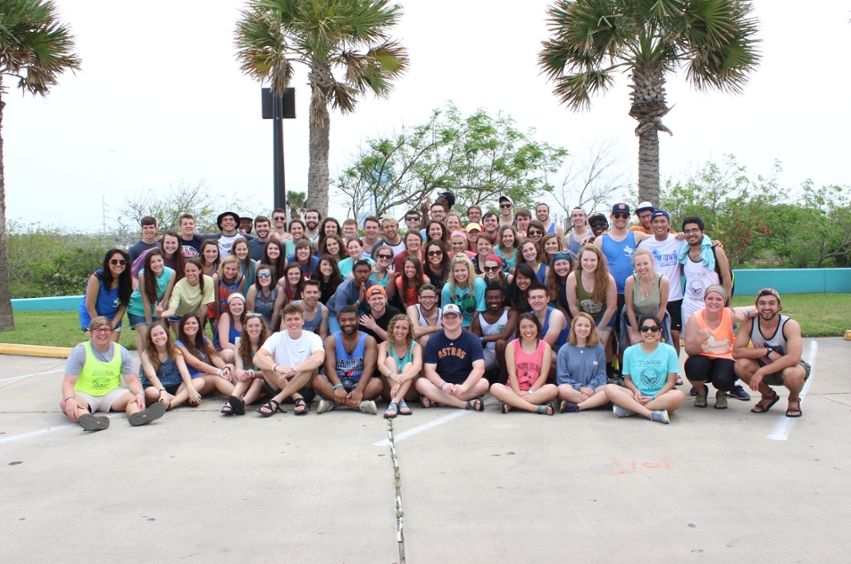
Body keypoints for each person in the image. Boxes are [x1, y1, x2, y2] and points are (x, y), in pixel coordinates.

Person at [60, 316, 166, 431]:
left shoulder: (121, 351)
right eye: (98, 330)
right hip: (85, 394)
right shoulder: (80, 351)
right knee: (65, 402)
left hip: (112, 393)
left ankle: (137, 416)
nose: (102, 333)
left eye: (106, 330)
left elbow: (132, 380)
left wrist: (140, 393)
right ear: (91, 333)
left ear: (111, 332)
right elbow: (68, 382)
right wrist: (69, 399)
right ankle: (88, 420)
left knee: (134, 397)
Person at [733, 288, 811, 418]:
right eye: (762, 303)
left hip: (789, 368)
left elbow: (794, 358)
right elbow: (737, 352)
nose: (767, 307)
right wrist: (766, 351)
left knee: (792, 374)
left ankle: (794, 398)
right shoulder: (750, 323)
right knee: (740, 365)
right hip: (763, 364)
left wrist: (762, 371)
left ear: (779, 306)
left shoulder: (789, 324)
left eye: (771, 303)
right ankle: (768, 395)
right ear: (756, 306)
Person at [603, 315, 686, 423]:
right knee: (610, 388)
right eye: (645, 329)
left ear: (659, 331)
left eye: (654, 329)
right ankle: (651, 413)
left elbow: (671, 382)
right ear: (640, 331)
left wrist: (653, 398)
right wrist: (637, 392)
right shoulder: (629, 352)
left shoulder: (670, 351)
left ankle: (631, 409)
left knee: (678, 396)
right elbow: (627, 379)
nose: (649, 332)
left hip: (660, 395)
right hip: (636, 394)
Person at [684, 285, 755, 409]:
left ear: (724, 302)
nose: (714, 302)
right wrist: (699, 340)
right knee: (693, 365)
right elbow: (690, 351)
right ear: (704, 300)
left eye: (719, 299)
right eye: (710, 298)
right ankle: (701, 391)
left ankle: (722, 393)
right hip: (702, 357)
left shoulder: (729, 314)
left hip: (725, 356)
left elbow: (758, 308)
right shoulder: (695, 318)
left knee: (725, 376)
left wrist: (744, 313)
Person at [253, 302, 325, 417]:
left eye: (296, 319)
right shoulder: (277, 337)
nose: (293, 322)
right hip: (279, 383)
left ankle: (276, 400)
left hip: (303, 386)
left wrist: (293, 369)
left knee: (311, 366)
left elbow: (319, 359)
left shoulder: (312, 337)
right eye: (289, 319)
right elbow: (257, 358)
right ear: (284, 322)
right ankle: (297, 397)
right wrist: (278, 368)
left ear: (303, 321)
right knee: (265, 361)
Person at [417, 304, 488, 410]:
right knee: (420, 383)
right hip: (441, 384)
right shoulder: (433, 341)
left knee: (484, 383)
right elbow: (429, 370)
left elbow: (479, 368)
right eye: (447, 317)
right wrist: (443, 385)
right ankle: (464, 404)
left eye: (454, 317)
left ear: (461, 319)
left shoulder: (472, 339)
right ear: (441, 320)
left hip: (464, 383)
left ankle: (438, 401)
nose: (451, 320)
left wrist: (464, 387)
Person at [314, 305, 381, 414]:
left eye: (351, 319)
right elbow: (329, 366)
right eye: (343, 320)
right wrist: (338, 386)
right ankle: (359, 405)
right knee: (317, 380)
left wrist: (359, 389)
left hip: (359, 382)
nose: (347, 323)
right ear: (338, 321)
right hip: (336, 382)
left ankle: (334, 403)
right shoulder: (331, 340)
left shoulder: (368, 340)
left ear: (358, 320)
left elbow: (369, 367)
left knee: (378, 384)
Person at [638, 210, 686, 360]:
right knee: (652, 335)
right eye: (656, 222)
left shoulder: (679, 242)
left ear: (669, 224)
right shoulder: (645, 245)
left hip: (674, 298)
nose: (659, 225)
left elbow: (698, 244)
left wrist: (715, 242)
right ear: (650, 225)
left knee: (674, 335)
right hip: (653, 300)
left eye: (662, 221)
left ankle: (674, 370)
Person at [489, 312, 557, 415]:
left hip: (535, 390)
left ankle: (513, 403)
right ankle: (535, 408)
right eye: (523, 327)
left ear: (537, 327)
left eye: (531, 326)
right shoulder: (512, 345)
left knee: (552, 389)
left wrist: (529, 392)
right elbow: (511, 373)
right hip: (514, 389)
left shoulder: (545, 346)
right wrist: (518, 393)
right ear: (519, 330)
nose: (528, 330)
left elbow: (543, 375)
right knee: (495, 388)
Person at [679, 216, 733, 329]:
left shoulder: (716, 251)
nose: (691, 234)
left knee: (713, 342)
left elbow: (726, 277)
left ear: (702, 232)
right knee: (690, 344)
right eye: (687, 231)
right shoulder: (683, 253)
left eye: (695, 230)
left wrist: (726, 303)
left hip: (712, 306)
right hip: (688, 307)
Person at [173, 313, 236, 400]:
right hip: (192, 382)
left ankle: (245, 392)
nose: (190, 326)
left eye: (193, 323)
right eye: (187, 323)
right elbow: (196, 364)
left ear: (198, 326)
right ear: (182, 327)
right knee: (216, 378)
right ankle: (241, 397)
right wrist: (218, 371)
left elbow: (214, 356)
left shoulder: (204, 340)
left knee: (230, 367)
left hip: (205, 376)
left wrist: (224, 367)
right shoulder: (178, 345)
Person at [139, 322, 200, 411]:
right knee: (152, 393)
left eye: (161, 333)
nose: (159, 337)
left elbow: (184, 371)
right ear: (151, 339)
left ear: (167, 335)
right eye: (155, 335)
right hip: (156, 387)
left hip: (174, 386)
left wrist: (190, 388)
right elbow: (151, 376)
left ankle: (171, 404)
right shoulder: (146, 354)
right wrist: (162, 391)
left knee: (199, 382)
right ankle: (183, 401)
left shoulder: (175, 351)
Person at [220, 314, 272, 415]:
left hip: (262, 383)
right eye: (250, 326)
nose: (254, 329)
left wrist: (253, 374)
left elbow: (269, 373)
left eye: (257, 325)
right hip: (245, 382)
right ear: (245, 328)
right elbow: (238, 369)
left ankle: (242, 403)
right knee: (234, 368)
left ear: (262, 326)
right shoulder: (240, 346)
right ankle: (231, 402)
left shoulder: (268, 345)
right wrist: (240, 372)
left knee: (256, 379)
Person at [556, 312, 609, 412]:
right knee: (562, 390)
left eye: (587, 326)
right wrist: (581, 388)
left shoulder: (599, 348)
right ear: (573, 328)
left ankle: (577, 406)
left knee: (610, 389)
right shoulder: (564, 350)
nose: (583, 329)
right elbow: (562, 377)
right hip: (573, 389)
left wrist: (590, 388)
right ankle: (597, 402)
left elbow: (601, 375)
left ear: (591, 329)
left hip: (594, 389)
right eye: (579, 325)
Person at [126, 249, 175, 353]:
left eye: (159, 260)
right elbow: (146, 303)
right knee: (148, 339)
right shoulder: (142, 274)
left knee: (154, 338)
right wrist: (149, 326)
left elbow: (165, 299)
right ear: (148, 264)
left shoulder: (171, 273)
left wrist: (161, 321)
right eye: (152, 262)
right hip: (137, 308)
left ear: (163, 260)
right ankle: (145, 366)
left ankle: (149, 366)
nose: (157, 264)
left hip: (155, 309)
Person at [622, 249, 672, 350]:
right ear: (635, 267)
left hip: (655, 315)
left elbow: (662, 307)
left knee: (654, 344)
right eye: (638, 265)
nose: (642, 267)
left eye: (645, 263)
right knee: (635, 345)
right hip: (634, 315)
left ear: (652, 264)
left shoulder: (663, 281)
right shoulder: (630, 281)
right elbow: (629, 308)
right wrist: (636, 331)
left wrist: (654, 329)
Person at [567, 245, 617, 347]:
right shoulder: (573, 277)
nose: (589, 264)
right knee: (582, 345)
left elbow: (611, 308)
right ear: (580, 261)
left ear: (598, 261)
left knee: (598, 345)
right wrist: (583, 324)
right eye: (585, 260)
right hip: (583, 315)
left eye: (593, 260)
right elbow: (572, 306)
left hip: (604, 316)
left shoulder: (608, 279)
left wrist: (599, 329)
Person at [79, 249, 132, 342]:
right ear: (108, 263)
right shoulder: (96, 278)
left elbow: (122, 307)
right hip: (92, 315)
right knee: (100, 345)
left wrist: (112, 326)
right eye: (114, 261)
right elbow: (90, 306)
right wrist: (101, 327)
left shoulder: (127, 280)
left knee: (112, 349)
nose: (118, 264)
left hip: (112, 317)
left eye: (122, 262)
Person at [470, 284, 518, 381]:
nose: (494, 301)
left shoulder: (511, 313)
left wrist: (482, 339)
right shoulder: (479, 318)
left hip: (509, 352)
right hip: (489, 352)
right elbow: (475, 342)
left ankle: (504, 378)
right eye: (490, 298)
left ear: (503, 298)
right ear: (485, 299)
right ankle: (491, 374)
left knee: (500, 343)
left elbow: (505, 335)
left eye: (497, 297)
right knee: (473, 366)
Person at [378, 314, 422, 418]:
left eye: (404, 328)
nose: (400, 331)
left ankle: (395, 402)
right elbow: (380, 365)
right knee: (389, 360)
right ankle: (399, 401)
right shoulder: (385, 345)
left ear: (409, 331)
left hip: (410, 392)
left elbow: (418, 366)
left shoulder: (415, 346)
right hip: (390, 391)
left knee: (409, 365)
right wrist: (394, 377)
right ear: (392, 328)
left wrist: (400, 381)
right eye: (397, 327)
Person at [157, 258, 215, 336]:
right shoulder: (179, 286)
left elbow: (204, 306)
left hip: (194, 316)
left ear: (200, 270)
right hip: (177, 316)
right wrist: (160, 314)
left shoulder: (208, 281)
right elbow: (172, 310)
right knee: (183, 340)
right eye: (187, 271)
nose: (190, 273)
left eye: (193, 270)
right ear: (184, 271)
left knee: (199, 340)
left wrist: (200, 326)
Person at [325, 259, 377, 333]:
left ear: (370, 272)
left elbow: (380, 305)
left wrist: (366, 299)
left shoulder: (373, 284)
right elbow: (340, 316)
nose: (362, 275)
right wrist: (359, 300)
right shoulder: (343, 289)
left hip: (359, 311)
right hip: (335, 312)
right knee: (338, 335)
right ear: (353, 273)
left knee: (369, 331)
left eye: (366, 271)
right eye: (359, 272)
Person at [441, 256, 487, 328]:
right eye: (456, 271)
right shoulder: (447, 288)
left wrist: (471, 327)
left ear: (469, 270)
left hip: (477, 320)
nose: (460, 274)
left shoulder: (478, 283)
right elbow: (446, 311)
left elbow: (480, 308)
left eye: (463, 270)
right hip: (457, 322)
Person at [528, 284, 569, 356]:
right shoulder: (530, 315)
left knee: (538, 356)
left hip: (562, 351)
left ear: (548, 299)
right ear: (529, 300)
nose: (537, 301)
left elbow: (545, 346)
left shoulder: (556, 315)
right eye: (533, 298)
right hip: (545, 349)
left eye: (540, 297)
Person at [245, 264, 285, 329]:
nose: (263, 278)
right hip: (255, 322)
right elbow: (250, 312)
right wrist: (254, 328)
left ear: (271, 276)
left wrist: (270, 330)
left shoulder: (279, 290)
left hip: (270, 322)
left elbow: (275, 313)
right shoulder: (253, 289)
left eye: (266, 275)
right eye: (260, 276)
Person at [213, 255, 247, 322]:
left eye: (233, 269)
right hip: (216, 310)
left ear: (238, 269)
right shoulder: (216, 277)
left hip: (231, 309)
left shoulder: (241, 279)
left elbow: (236, 299)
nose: (230, 272)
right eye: (227, 268)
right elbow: (215, 300)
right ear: (223, 267)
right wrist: (218, 319)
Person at [215, 292, 246, 364]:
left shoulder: (247, 318)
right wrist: (244, 351)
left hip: (242, 350)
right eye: (233, 305)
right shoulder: (225, 316)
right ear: (228, 307)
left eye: (239, 304)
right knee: (229, 354)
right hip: (224, 350)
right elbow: (224, 344)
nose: (237, 307)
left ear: (244, 306)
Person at [546, 251, 572, 321]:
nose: (561, 267)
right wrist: (569, 322)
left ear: (570, 264)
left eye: (565, 263)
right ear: (553, 266)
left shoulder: (577, 278)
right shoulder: (551, 281)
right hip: (563, 315)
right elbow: (556, 303)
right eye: (558, 264)